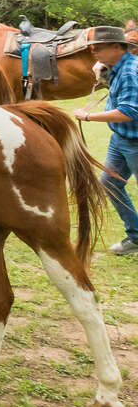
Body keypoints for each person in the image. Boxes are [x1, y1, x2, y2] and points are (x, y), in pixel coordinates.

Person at [74, 26, 138, 255]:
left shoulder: (130, 71)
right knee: (110, 184)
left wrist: (88, 116)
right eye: (93, 48)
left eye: (98, 48)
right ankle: (136, 237)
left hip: (134, 143)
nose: (94, 52)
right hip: (120, 140)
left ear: (116, 47)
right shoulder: (117, 67)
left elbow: (129, 112)